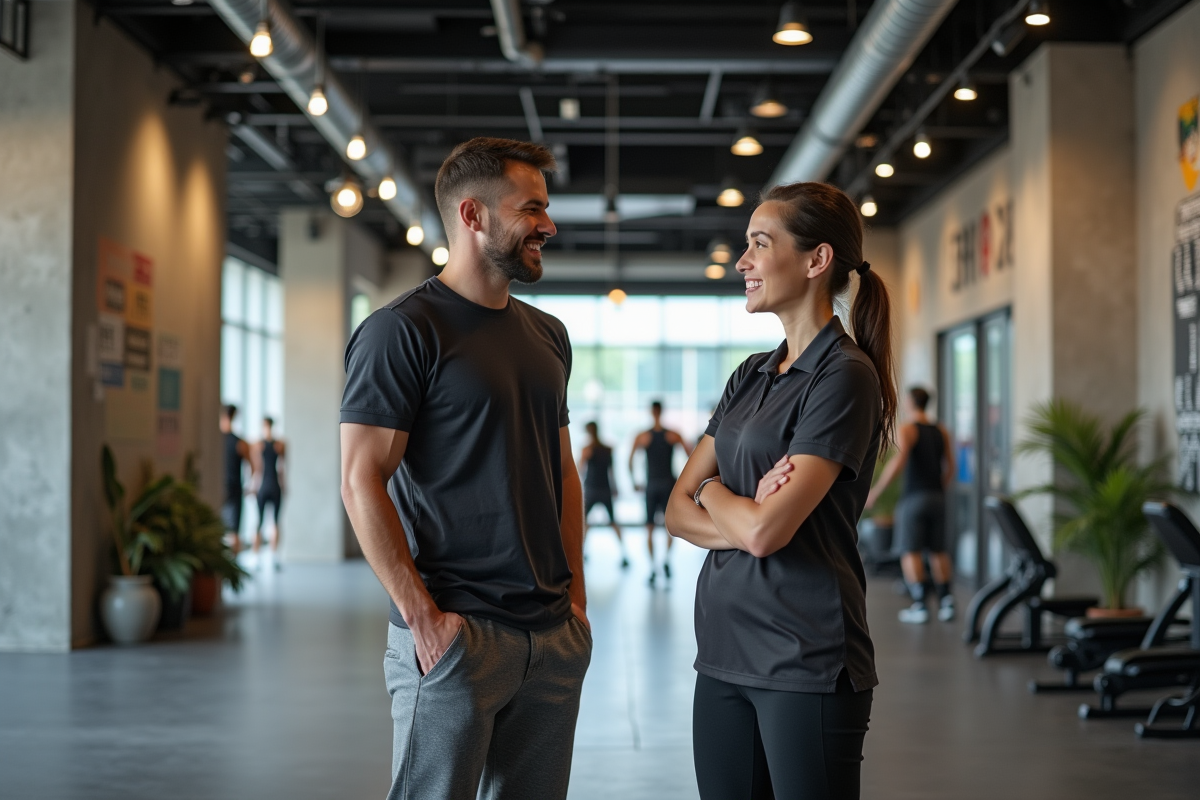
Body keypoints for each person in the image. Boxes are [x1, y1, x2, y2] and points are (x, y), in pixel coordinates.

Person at [339, 137, 591, 800]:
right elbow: (359, 477)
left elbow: (562, 473)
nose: (548, 224)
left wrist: (577, 603)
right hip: (457, 634)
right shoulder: (403, 331)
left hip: (550, 635)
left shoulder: (548, 336)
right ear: (474, 216)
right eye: (531, 207)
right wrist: (422, 618)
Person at [666, 181, 894, 800]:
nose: (742, 261)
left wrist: (712, 492)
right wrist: (733, 501)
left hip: (804, 658)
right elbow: (674, 510)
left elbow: (767, 532)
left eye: (759, 244)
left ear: (816, 260)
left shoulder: (844, 377)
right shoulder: (751, 374)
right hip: (721, 650)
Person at [866, 386, 956, 624]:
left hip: (914, 498)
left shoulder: (907, 428)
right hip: (937, 497)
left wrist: (876, 491)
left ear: (910, 402)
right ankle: (947, 602)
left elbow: (899, 461)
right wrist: (938, 489)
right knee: (938, 550)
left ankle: (920, 605)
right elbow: (951, 467)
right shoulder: (941, 430)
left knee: (910, 550)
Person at [630, 400, 693, 585]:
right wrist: (685, 482)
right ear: (662, 411)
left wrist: (635, 482)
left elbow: (630, 460)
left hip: (652, 485)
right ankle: (665, 560)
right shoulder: (672, 435)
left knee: (649, 528)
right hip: (668, 485)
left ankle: (653, 568)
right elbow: (692, 456)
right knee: (669, 527)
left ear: (652, 412)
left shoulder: (643, 436)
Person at [580, 421, 628, 568]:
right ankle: (624, 554)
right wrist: (615, 487)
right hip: (605, 488)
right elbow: (611, 471)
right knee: (613, 522)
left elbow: (580, 469)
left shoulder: (587, 450)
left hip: (592, 489)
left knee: (585, 523)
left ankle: (581, 553)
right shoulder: (607, 449)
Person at [250, 416, 287, 570]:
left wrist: (284, 485)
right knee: (260, 521)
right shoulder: (259, 445)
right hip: (264, 486)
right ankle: (257, 556)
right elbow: (256, 468)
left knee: (275, 522)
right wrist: (253, 485)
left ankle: (273, 555)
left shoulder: (279, 445)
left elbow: (282, 467)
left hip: (272, 485)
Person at [220, 405, 250, 555]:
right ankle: (233, 568)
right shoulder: (240, 443)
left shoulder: (216, 441)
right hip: (234, 487)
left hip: (222, 487)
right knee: (234, 530)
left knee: (222, 529)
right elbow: (253, 466)